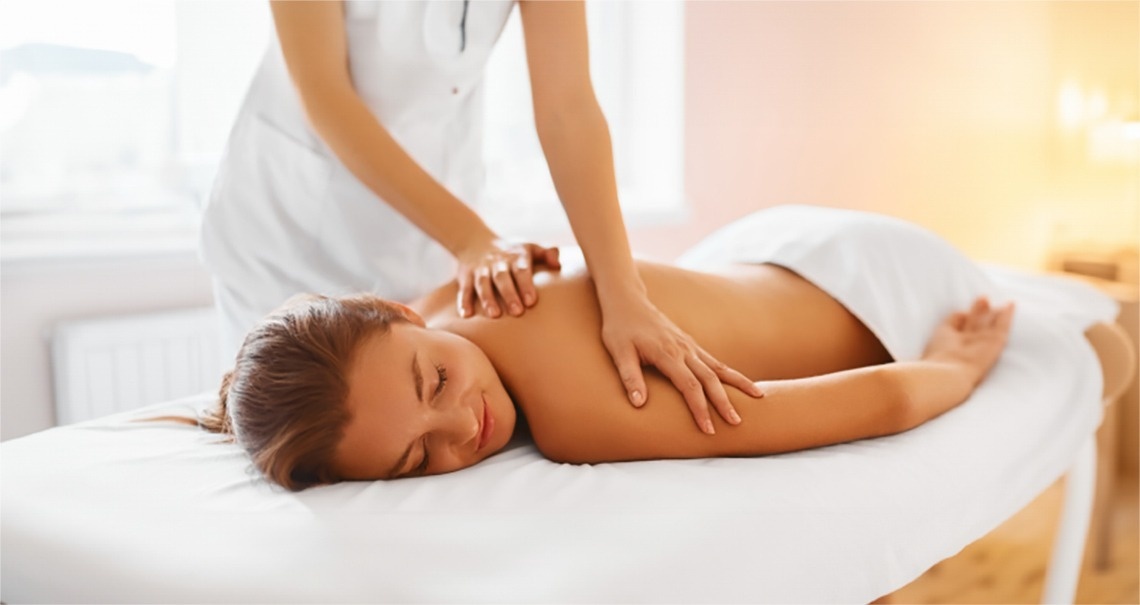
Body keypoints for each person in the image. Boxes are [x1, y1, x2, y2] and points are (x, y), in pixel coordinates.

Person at [198, 0, 758, 433]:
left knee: (407, 434)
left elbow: (568, 110)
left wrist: (624, 294)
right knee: (293, 436)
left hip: (422, 224)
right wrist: (472, 239)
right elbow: (324, 94)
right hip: (288, 223)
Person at [197, 206, 1015, 490]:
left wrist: (951, 363)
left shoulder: (579, 415)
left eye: (436, 379)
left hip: (883, 282)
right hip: (777, 238)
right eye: (417, 460)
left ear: (392, 313)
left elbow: (886, 398)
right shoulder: (460, 292)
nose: (463, 425)